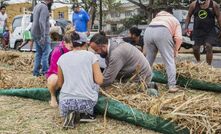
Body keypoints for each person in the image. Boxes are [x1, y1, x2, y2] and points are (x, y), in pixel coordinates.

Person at [57, 32, 103, 129]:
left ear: (71, 43)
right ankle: (86, 115)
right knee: (96, 86)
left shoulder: (62, 58)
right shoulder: (91, 56)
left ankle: (70, 112)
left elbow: (60, 83)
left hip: (66, 102)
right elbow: (99, 80)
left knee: (67, 92)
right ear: (85, 43)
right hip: (85, 102)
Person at [143, 7, 182, 93]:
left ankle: (142, 83)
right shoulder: (174, 20)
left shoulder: (155, 18)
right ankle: (172, 85)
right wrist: (176, 50)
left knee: (148, 60)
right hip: (163, 31)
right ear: (171, 13)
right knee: (169, 60)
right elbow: (178, 38)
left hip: (148, 31)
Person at [185, 0, 221, 65]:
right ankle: (199, 62)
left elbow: (219, 17)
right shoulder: (193, 4)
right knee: (195, 48)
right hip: (197, 30)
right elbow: (189, 16)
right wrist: (186, 27)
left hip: (209, 31)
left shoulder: (213, 5)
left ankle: (208, 66)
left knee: (208, 46)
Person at [46, 25, 74, 108]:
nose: (73, 49)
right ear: (65, 43)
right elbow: (56, 70)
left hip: (71, 73)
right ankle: (53, 96)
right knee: (53, 80)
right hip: (58, 74)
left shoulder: (76, 49)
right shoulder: (58, 51)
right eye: (71, 47)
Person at [31, 0, 54, 76]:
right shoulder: (44, 7)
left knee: (38, 53)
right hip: (42, 34)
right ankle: (45, 72)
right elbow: (41, 21)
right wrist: (43, 36)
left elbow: (34, 20)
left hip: (35, 33)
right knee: (46, 53)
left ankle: (36, 72)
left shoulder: (37, 6)